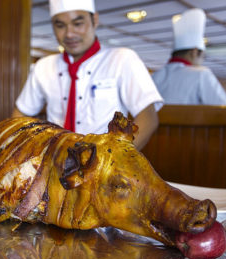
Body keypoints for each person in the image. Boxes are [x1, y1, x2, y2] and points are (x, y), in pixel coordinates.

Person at [12, 0, 163, 150]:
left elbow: (148, 118)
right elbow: (20, 113)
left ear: (94, 20)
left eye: (78, 23)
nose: (69, 34)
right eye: (60, 25)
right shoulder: (43, 66)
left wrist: (116, 159)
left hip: (104, 160)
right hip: (56, 159)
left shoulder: (122, 59)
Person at [152, 8, 226, 105]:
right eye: (203, 57)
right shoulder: (201, 74)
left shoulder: (153, 77)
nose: (202, 61)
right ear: (194, 52)